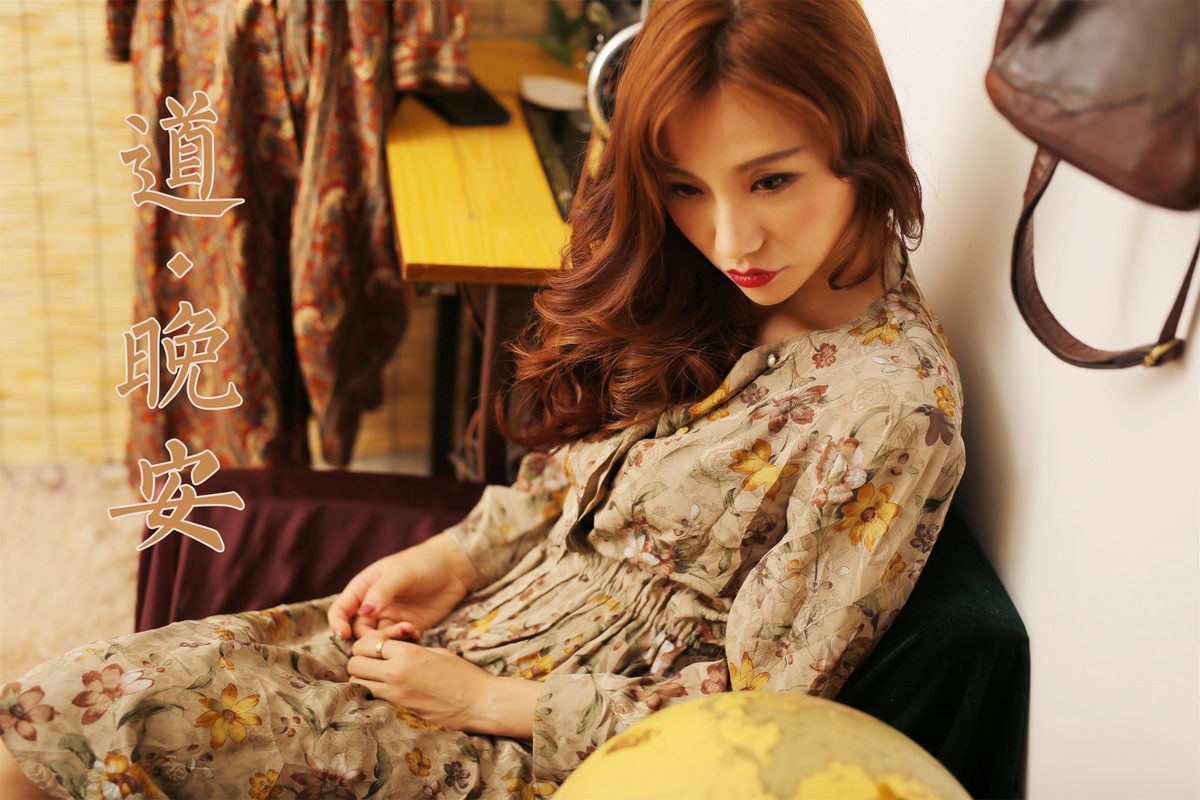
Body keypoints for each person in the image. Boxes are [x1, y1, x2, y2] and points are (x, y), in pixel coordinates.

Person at [0, 0, 967, 796]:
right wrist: (454, 556)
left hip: (543, 749)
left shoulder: (889, 413)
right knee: (60, 699)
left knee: (104, 722)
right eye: (684, 188)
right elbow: (575, 482)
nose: (730, 238)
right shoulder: (724, 286)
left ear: (861, 146)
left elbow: (768, 708)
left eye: (771, 180)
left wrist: (483, 702)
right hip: (472, 631)